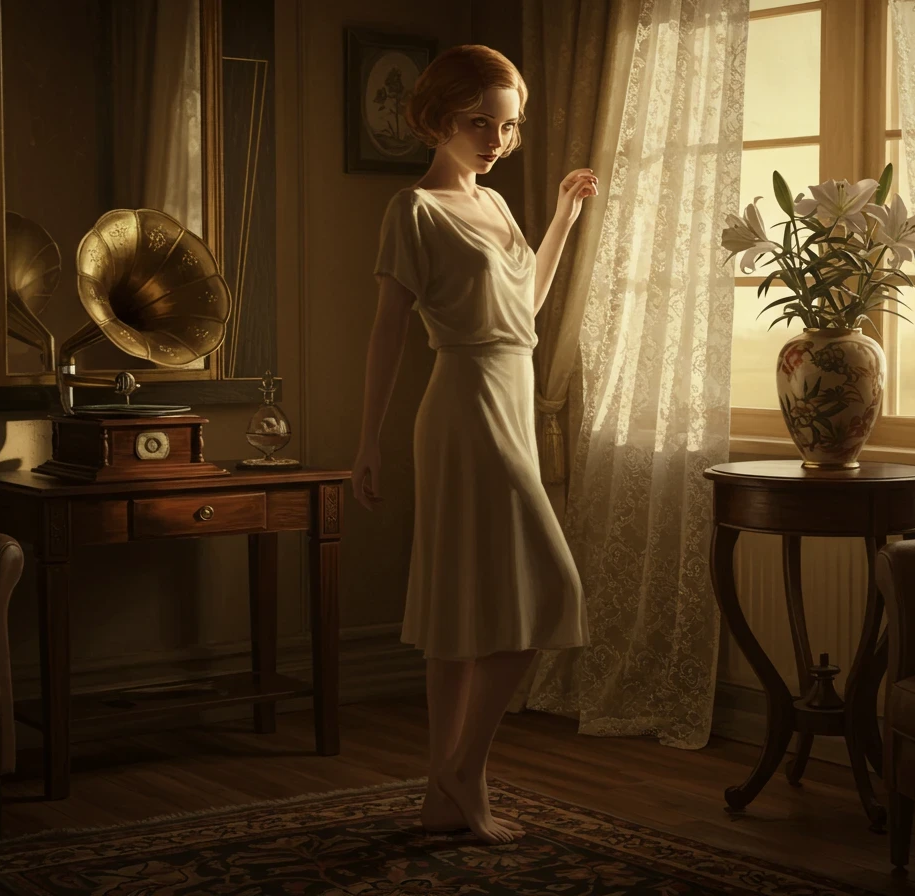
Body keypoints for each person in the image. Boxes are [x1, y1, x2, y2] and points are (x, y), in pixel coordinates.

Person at [351, 44, 597, 846]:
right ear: (436, 119)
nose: (495, 139)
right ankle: (465, 769)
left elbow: (523, 306)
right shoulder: (413, 211)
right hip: (462, 406)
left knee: (466, 611)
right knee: (546, 592)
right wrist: (369, 442)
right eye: (478, 123)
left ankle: (440, 792)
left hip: (511, 391)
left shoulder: (494, 206)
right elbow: (387, 333)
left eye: (508, 125)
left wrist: (562, 217)